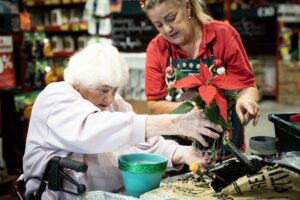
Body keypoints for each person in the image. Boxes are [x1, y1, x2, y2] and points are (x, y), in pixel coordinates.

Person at [22, 43, 223, 199]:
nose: (109, 99)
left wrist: (182, 153)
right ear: (78, 83)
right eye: (102, 90)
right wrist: (174, 123)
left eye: (115, 90)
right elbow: (95, 131)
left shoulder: (111, 101)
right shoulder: (55, 98)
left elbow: (144, 141)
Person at [143, 0, 260, 152]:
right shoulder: (157, 48)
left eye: (171, 18)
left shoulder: (224, 35)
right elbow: (154, 106)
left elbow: (247, 86)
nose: (167, 29)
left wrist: (247, 100)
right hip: (178, 152)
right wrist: (194, 109)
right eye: (158, 25)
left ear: (187, 6)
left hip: (226, 147)